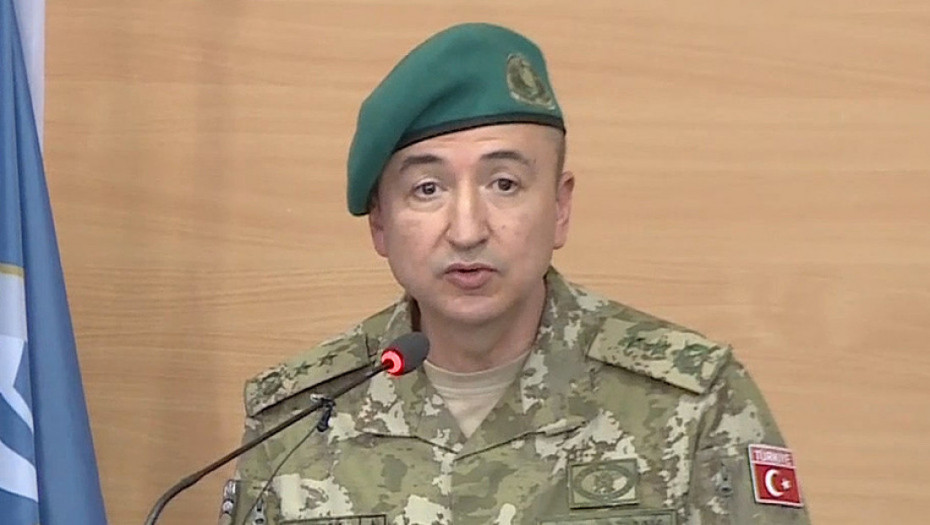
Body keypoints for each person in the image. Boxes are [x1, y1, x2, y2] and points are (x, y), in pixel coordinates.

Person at [221, 22, 811, 524]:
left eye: (504, 184)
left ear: (559, 207)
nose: (467, 229)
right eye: (427, 189)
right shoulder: (296, 421)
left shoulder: (693, 403)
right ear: (380, 223)